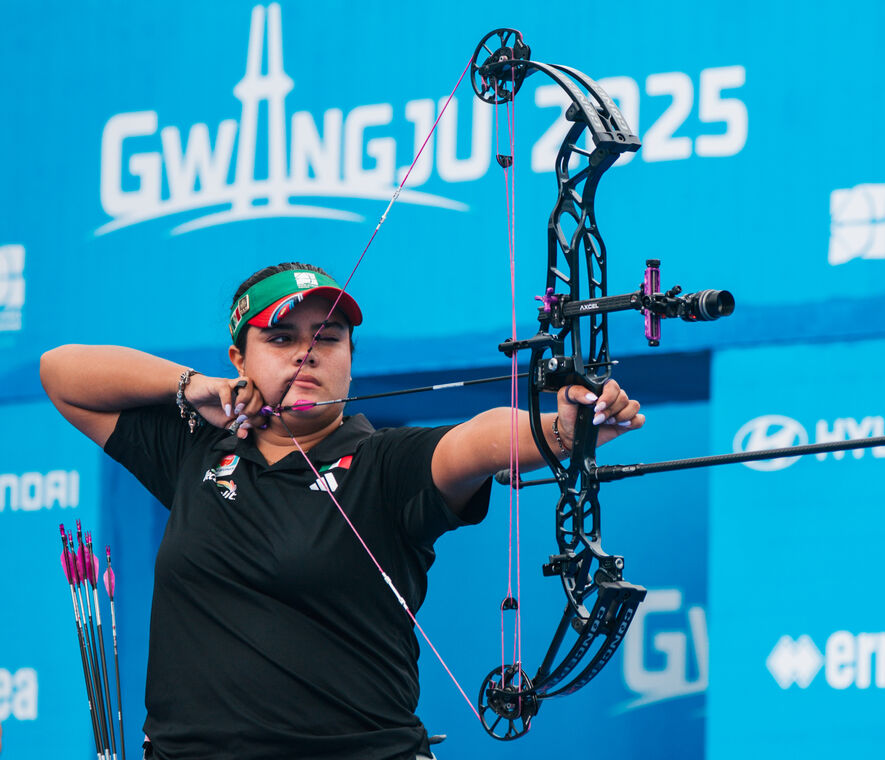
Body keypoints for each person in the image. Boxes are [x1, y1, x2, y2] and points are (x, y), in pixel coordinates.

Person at [39, 262, 644, 760]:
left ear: (351, 356)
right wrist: (191, 385)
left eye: (326, 338)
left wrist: (561, 432)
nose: (307, 353)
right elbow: (60, 373)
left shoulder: (385, 463)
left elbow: (478, 441)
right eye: (281, 338)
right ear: (239, 359)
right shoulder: (196, 448)